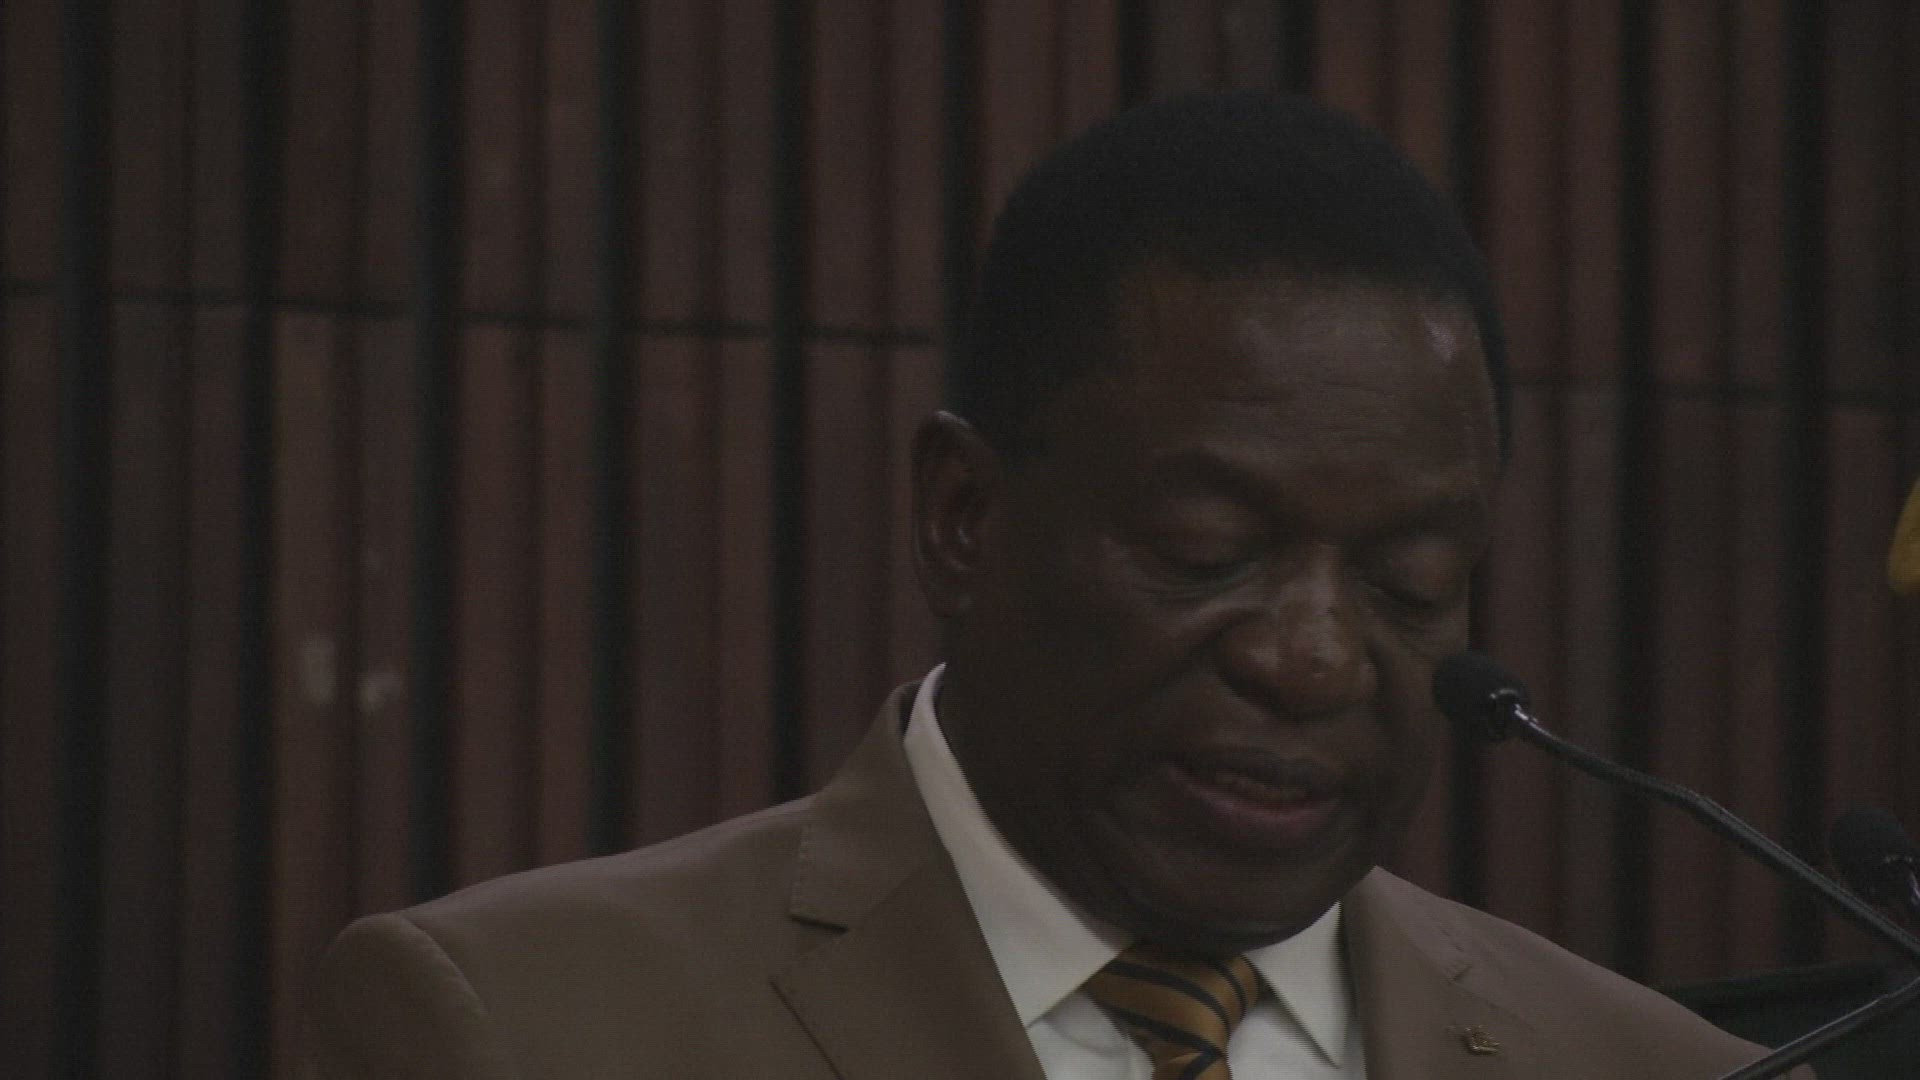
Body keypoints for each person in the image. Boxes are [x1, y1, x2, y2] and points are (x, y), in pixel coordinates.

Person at [309, 92, 1800, 1079]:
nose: (1313, 658)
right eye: (1208, 552)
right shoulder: (523, 1025)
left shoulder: (1665, 1073)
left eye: (1410, 582)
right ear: (963, 516)